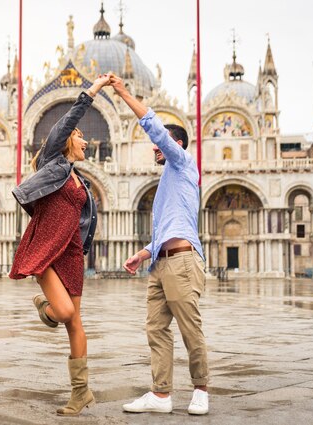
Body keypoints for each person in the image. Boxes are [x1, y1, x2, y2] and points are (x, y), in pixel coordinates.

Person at [9, 74, 111, 416]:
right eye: (82, 137)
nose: (87, 142)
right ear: (67, 141)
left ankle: (81, 393)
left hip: (70, 253)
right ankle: (46, 305)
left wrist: (81, 247)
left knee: (75, 323)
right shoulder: (54, 161)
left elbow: (83, 218)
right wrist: (93, 90)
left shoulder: (80, 178)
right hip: (46, 248)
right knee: (64, 312)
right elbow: (71, 117)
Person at [109, 74, 210, 415]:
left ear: (175, 145)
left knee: (189, 327)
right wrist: (145, 252)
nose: (155, 148)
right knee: (155, 328)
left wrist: (123, 91)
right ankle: (161, 395)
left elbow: (154, 129)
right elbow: (168, 226)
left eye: (162, 144)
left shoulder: (182, 164)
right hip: (161, 261)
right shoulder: (169, 180)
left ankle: (200, 389)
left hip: (182, 261)